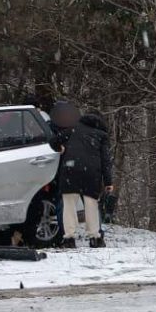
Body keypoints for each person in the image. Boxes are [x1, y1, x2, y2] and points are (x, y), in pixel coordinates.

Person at [49, 100, 114, 248]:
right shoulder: (101, 135)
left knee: (69, 205)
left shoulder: (72, 129)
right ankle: (95, 238)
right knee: (91, 204)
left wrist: (60, 148)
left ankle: (69, 238)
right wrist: (109, 182)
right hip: (92, 173)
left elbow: (53, 141)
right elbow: (106, 161)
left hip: (70, 169)